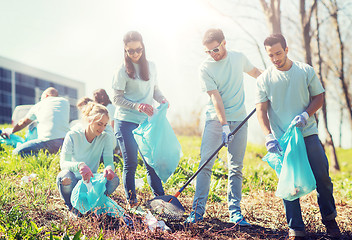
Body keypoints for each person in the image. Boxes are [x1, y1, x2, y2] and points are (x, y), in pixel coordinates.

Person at [255, 34, 340, 239]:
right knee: (288, 183)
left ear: (286, 49)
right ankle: (296, 228)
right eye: (270, 55)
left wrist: (305, 114)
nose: (275, 58)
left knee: (323, 178)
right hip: (283, 140)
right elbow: (261, 110)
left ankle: (330, 222)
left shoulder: (305, 71)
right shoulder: (264, 79)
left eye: (278, 53)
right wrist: (268, 136)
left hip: (307, 134)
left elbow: (318, 97)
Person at [186, 28, 262, 225]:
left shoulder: (238, 58)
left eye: (216, 49)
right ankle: (196, 212)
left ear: (224, 42)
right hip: (215, 121)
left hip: (240, 120)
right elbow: (215, 97)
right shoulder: (205, 68)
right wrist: (224, 126)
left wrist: (273, 82)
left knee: (236, 167)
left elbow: (255, 73)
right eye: (209, 51)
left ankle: (235, 213)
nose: (213, 54)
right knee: (205, 165)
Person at [112, 31, 168, 208]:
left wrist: (163, 99)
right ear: (125, 51)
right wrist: (137, 106)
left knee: (151, 161)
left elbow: (155, 90)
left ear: (143, 47)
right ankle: (132, 202)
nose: (135, 54)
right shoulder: (121, 71)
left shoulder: (151, 66)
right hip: (125, 121)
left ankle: (160, 199)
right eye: (130, 51)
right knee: (131, 162)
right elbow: (116, 99)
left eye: (138, 50)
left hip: (145, 122)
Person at [56, 101, 119, 213]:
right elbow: (63, 163)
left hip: (90, 181)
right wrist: (79, 165)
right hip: (74, 180)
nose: (102, 128)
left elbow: (109, 163)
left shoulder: (105, 138)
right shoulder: (72, 135)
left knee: (114, 179)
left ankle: (95, 202)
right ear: (90, 120)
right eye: (99, 124)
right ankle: (71, 206)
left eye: (105, 125)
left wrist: (109, 169)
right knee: (64, 177)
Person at [11, 87, 70, 157]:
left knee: (16, 153)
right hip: (65, 142)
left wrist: (11, 131)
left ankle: (46, 157)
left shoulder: (39, 105)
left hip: (47, 141)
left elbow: (23, 123)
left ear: (46, 95)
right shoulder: (65, 102)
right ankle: (56, 156)